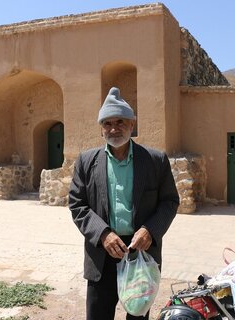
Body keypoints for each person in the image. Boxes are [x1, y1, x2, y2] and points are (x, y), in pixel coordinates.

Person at [69, 87, 179, 320]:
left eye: (120, 121)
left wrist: (150, 230)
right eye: (107, 123)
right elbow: (77, 204)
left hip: (141, 253)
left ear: (132, 124)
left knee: (138, 316)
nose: (113, 128)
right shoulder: (87, 161)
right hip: (102, 252)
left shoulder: (155, 161)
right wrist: (103, 234)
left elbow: (169, 201)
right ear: (101, 128)